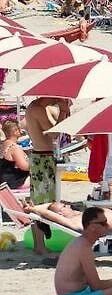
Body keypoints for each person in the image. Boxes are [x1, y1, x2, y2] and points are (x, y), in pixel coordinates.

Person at [54, 207, 112, 295]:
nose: (107, 226)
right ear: (93, 227)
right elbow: (96, 285)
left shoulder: (80, 242)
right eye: (103, 223)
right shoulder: (84, 248)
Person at [25, 96, 70, 254]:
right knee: (41, 203)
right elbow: (54, 134)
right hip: (42, 159)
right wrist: (63, 110)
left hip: (43, 157)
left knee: (43, 201)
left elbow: (56, 129)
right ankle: (39, 245)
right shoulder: (37, 108)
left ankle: (40, 244)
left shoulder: (41, 108)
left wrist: (63, 111)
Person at [0, 119, 29, 189]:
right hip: (14, 181)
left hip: (4, 179)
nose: (20, 131)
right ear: (15, 132)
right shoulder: (14, 148)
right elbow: (24, 166)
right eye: (19, 129)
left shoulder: (4, 144)